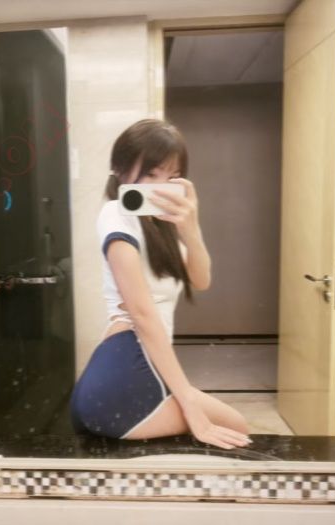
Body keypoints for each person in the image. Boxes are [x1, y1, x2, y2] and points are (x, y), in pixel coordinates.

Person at [69, 118, 251, 450]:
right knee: (232, 426)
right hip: (127, 366)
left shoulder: (160, 225)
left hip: (138, 365)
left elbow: (201, 279)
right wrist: (190, 403)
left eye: (171, 176)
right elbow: (142, 314)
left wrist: (191, 229)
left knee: (229, 430)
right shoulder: (116, 214)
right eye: (151, 174)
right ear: (119, 169)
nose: (160, 186)